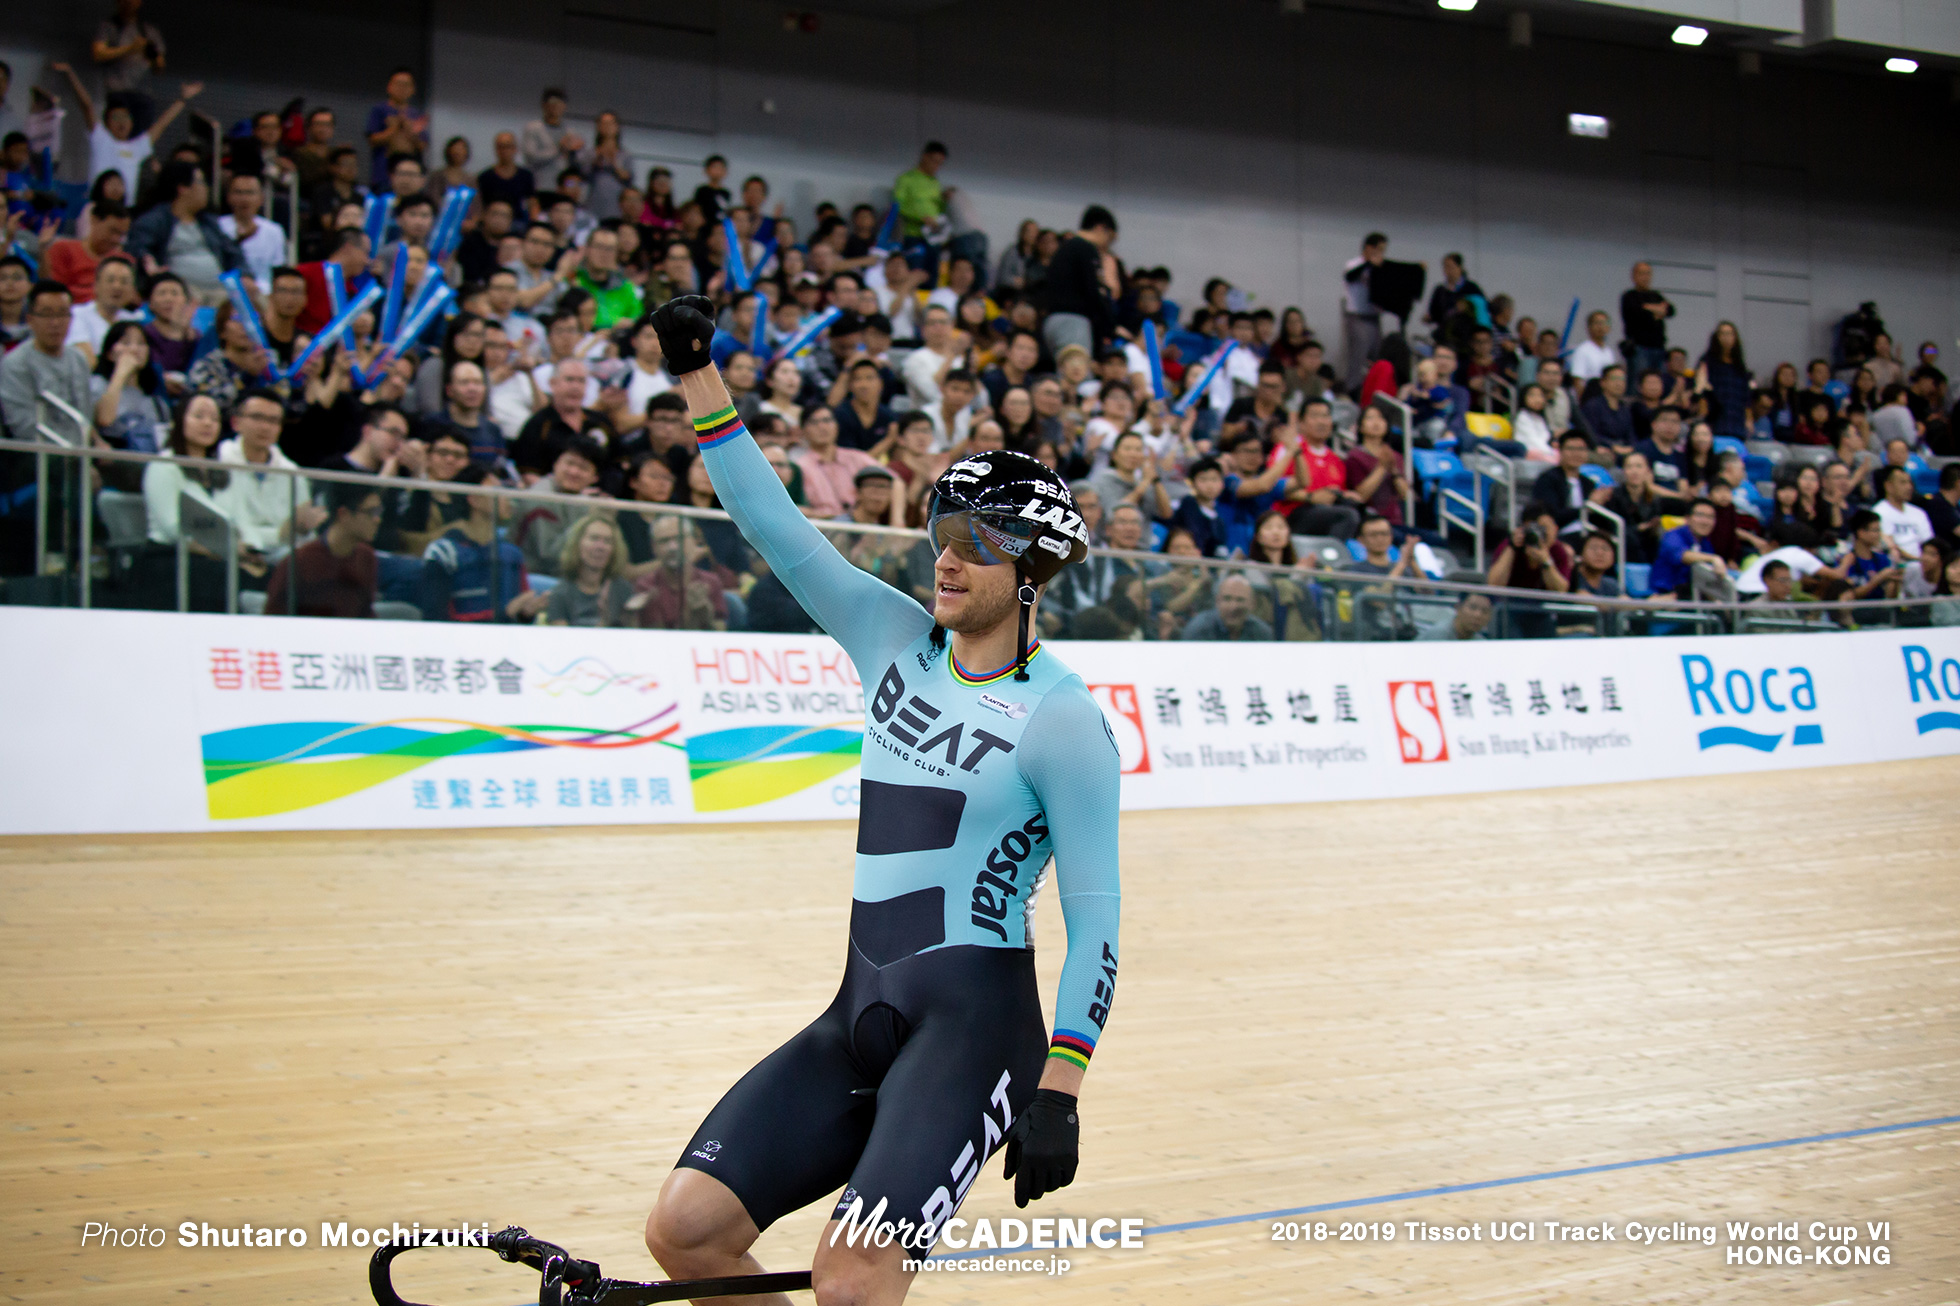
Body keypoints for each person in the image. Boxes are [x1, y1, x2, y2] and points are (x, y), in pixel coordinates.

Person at [641, 294, 1118, 1304]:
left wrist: (1060, 1088)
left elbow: (1097, 923)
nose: (944, 554)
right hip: (856, 1006)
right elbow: (772, 525)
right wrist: (697, 372)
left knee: (852, 1279)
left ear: (1028, 570)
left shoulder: (1065, 720)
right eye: (942, 529)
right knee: (684, 1230)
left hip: (976, 1031)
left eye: (976, 541)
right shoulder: (891, 636)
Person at [52, 60, 199, 200]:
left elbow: (161, 124)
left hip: (125, 212)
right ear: (107, 122)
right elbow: (87, 106)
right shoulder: (101, 140)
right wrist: (69, 73)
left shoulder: (138, 148)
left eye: (126, 117)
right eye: (116, 117)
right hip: (97, 209)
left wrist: (182, 99)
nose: (122, 122)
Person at [420, 463, 549, 622]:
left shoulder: (512, 553)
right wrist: (504, 615)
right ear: (474, 499)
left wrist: (526, 613)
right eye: (497, 491)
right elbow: (435, 618)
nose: (506, 498)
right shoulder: (443, 552)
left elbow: (518, 617)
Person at [123, 161, 242, 300]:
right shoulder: (155, 221)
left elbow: (233, 253)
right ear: (183, 188)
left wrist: (245, 276)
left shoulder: (209, 222)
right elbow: (138, 249)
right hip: (182, 292)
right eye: (201, 182)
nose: (206, 188)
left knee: (258, 300)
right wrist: (151, 265)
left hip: (221, 289)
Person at [264, 481, 382, 618]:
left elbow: (365, 614)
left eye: (379, 511)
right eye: (371, 512)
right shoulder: (301, 561)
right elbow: (274, 617)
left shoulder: (366, 557)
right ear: (344, 514)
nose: (377, 519)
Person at [0, 281, 92, 444]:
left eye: (63, 314)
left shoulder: (78, 359)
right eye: (47, 314)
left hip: (79, 450)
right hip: (38, 456)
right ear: (30, 320)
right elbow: (24, 427)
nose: (55, 323)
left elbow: (85, 415)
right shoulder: (15, 364)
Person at [1041, 205, 1118, 355]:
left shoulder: (1064, 249)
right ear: (1100, 228)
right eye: (1110, 238)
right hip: (1072, 321)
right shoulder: (1086, 249)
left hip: (1053, 321)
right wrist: (1110, 325)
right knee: (1078, 373)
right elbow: (1093, 291)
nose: (1109, 245)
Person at [546, 513, 635, 626]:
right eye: (594, 538)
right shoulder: (560, 594)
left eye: (607, 541)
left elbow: (632, 636)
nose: (600, 547)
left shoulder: (622, 589)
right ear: (577, 544)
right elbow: (561, 640)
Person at [1650, 498, 1736, 602]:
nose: (1705, 522)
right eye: (1700, 515)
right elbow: (1681, 555)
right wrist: (1714, 558)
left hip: (1693, 596)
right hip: (1666, 594)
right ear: (1687, 518)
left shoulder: (1705, 544)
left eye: (1710, 517)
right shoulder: (1673, 535)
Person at [365, 68, 429, 189]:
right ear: (389, 86)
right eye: (398, 84)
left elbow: (423, 145)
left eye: (406, 85)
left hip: (412, 175)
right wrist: (395, 127)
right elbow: (373, 140)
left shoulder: (417, 114)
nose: (402, 88)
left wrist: (408, 128)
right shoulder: (379, 110)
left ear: (413, 89)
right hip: (383, 175)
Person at [1179, 572, 1271, 641]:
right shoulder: (1199, 629)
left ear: (1252, 604)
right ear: (1217, 601)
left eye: (1240, 600)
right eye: (1227, 599)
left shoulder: (1262, 632)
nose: (1233, 606)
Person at [1620, 261, 1674, 380]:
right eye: (1641, 273)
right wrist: (1656, 310)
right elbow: (1637, 313)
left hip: (1659, 347)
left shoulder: (1656, 295)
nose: (1645, 277)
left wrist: (1648, 308)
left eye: (1648, 273)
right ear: (1634, 276)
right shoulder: (1629, 296)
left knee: (1660, 382)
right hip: (1639, 348)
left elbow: (1670, 310)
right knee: (1639, 381)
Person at [1418, 590, 1494, 641]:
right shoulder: (1438, 635)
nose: (1478, 615)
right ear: (1458, 608)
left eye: (1485, 611)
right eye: (1472, 608)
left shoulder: (1481, 643)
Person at [1568, 310, 1618, 382]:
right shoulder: (1582, 350)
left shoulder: (1609, 352)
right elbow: (1577, 379)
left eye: (1604, 323)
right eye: (1597, 323)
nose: (1600, 327)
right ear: (1589, 327)